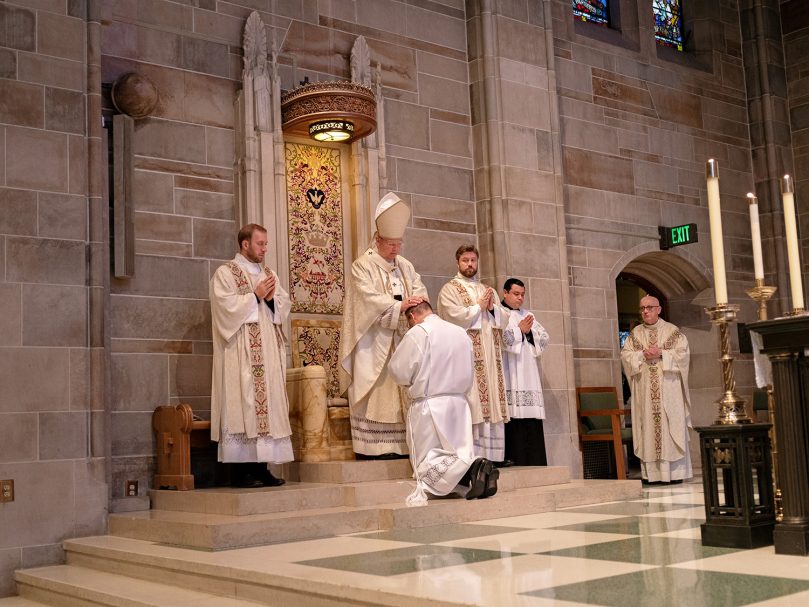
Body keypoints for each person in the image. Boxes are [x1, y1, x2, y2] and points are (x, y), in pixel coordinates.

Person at [339, 193, 429, 459]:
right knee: (378, 390)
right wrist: (398, 306)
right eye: (390, 243)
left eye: (399, 243)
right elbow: (366, 299)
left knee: (402, 388)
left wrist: (417, 301)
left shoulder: (405, 266)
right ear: (377, 240)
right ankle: (373, 449)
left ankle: (401, 446)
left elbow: (420, 287)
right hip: (373, 340)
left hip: (403, 338)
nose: (395, 249)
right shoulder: (362, 266)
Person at [389, 301, 498, 500]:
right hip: (459, 405)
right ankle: (474, 474)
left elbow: (399, 371)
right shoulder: (460, 333)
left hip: (430, 405)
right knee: (456, 452)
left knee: (428, 460)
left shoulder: (418, 333)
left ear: (412, 316)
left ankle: (474, 466)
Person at [209, 224, 291, 488]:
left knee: (268, 409)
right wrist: (254, 296)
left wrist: (268, 300)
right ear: (245, 244)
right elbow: (224, 308)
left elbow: (283, 305)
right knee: (244, 405)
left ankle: (263, 468)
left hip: (267, 350)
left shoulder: (269, 274)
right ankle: (242, 472)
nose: (265, 249)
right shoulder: (226, 273)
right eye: (260, 244)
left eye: (266, 244)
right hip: (241, 352)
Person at [437, 245, 510, 464]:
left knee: (491, 401)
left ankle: (493, 456)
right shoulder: (449, 289)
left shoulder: (487, 289)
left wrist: (493, 309)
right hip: (468, 356)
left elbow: (504, 319)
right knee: (473, 400)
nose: (470, 264)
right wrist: (478, 307)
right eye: (465, 260)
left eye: (473, 260)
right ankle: (473, 456)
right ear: (457, 262)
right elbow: (452, 316)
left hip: (490, 355)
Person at [620, 295, 692, 484]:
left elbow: (683, 355)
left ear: (659, 309)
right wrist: (642, 354)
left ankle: (674, 474)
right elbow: (626, 356)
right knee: (649, 428)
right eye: (642, 308)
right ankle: (652, 475)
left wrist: (662, 353)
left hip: (668, 389)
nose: (645, 311)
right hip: (645, 391)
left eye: (649, 307)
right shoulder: (635, 334)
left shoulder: (672, 332)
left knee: (669, 428)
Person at [501, 278, 550, 466]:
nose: (520, 298)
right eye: (516, 294)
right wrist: (519, 331)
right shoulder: (499, 314)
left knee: (531, 418)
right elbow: (501, 339)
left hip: (528, 371)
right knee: (513, 413)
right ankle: (515, 457)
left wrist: (528, 333)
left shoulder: (528, 315)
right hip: (510, 370)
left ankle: (535, 459)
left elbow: (544, 338)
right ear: (505, 293)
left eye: (522, 294)